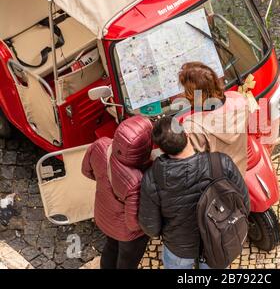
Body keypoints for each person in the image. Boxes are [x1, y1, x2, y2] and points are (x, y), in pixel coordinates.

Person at [139, 117, 250, 269]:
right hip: (218, 242)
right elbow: (243, 202)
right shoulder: (221, 162)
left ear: (162, 149)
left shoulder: (152, 178)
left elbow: (151, 227)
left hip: (179, 249)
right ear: (187, 134)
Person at [82, 116, 153, 269]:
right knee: (127, 261)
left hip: (103, 215)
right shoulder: (135, 180)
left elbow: (86, 171)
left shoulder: (100, 145)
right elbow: (133, 224)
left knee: (111, 247)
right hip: (126, 234)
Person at [179, 62, 250, 177]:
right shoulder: (239, 99)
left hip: (217, 180)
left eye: (186, 90)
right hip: (241, 169)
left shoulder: (192, 125)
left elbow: (193, 162)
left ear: (192, 94)